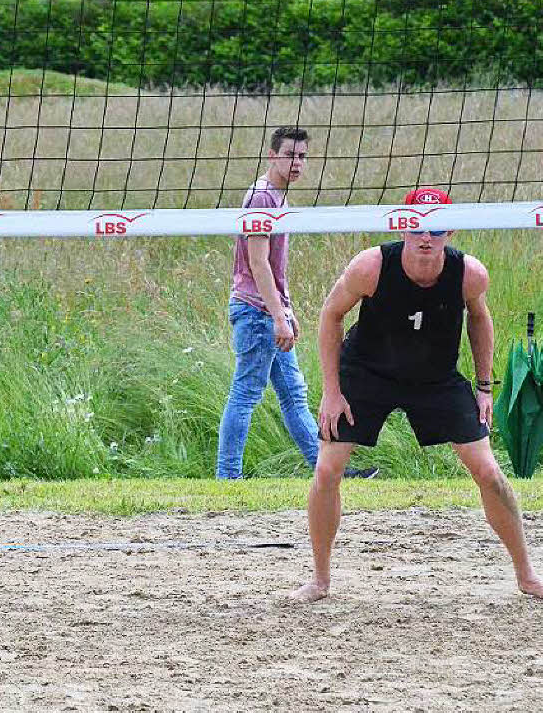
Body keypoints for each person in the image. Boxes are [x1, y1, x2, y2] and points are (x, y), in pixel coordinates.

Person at [291, 187, 543, 602]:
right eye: (416, 226)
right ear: (402, 226)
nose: (426, 236)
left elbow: (480, 320)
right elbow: (331, 314)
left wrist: (484, 387)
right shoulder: (371, 266)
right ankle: (320, 579)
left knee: (488, 472)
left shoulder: (469, 274)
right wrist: (332, 391)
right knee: (327, 469)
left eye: (436, 228)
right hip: (367, 372)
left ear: (450, 230)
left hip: (434, 378)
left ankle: (526, 574)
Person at [216, 126, 378, 480]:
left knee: (293, 396)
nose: (297, 162)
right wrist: (277, 315)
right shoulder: (262, 196)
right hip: (255, 311)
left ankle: (330, 470)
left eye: (302, 156)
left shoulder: (279, 195)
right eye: (289, 154)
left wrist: (286, 311)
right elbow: (258, 262)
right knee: (245, 393)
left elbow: (272, 267)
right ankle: (227, 477)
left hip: (269, 310)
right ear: (272, 155)